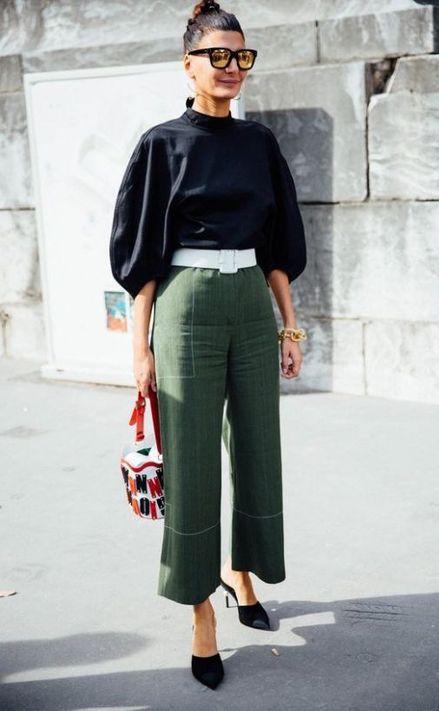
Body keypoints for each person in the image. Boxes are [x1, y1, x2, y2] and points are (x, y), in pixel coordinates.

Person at [109, 0, 307, 690]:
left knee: (257, 445)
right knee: (191, 460)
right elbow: (141, 262)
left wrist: (288, 323)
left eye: (241, 57)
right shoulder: (162, 143)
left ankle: (241, 574)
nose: (231, 68)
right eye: (217, 56)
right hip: (186, 303)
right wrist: (140, 351)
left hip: (252, 297)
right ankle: (200, 612)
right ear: (187, 62)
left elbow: (281, 242)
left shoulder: (260, 145)